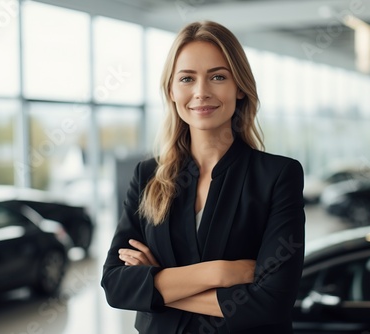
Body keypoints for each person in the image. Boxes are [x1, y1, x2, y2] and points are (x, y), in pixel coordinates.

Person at [101, 20, 305, 334]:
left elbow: (272, 300)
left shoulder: (278, 176)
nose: (201, 92)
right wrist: (222, 273)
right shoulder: (147, 176)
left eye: (218, 77)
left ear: (239, 87)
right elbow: (115, 284)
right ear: (171, 90)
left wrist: (155, 283)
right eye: (187, 78)